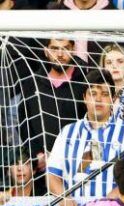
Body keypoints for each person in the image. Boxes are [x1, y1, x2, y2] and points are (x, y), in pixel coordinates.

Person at [47, 70, 124, 206]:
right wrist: (62, 197)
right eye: (93, 94)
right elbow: (52, 175)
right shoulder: (67, 133)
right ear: (84, 97)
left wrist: (111, 200)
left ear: (113, 98)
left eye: (104, 94)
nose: (98, 99)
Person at [17, 38, 87, 170]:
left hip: (77, 164)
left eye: (65, 48)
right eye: (54, 48)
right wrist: (37, 152)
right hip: (42, 167)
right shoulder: (32, 83)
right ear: (46, 51)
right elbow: (23, 121)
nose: (60, 54)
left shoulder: (85, 81)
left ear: (73, 50)